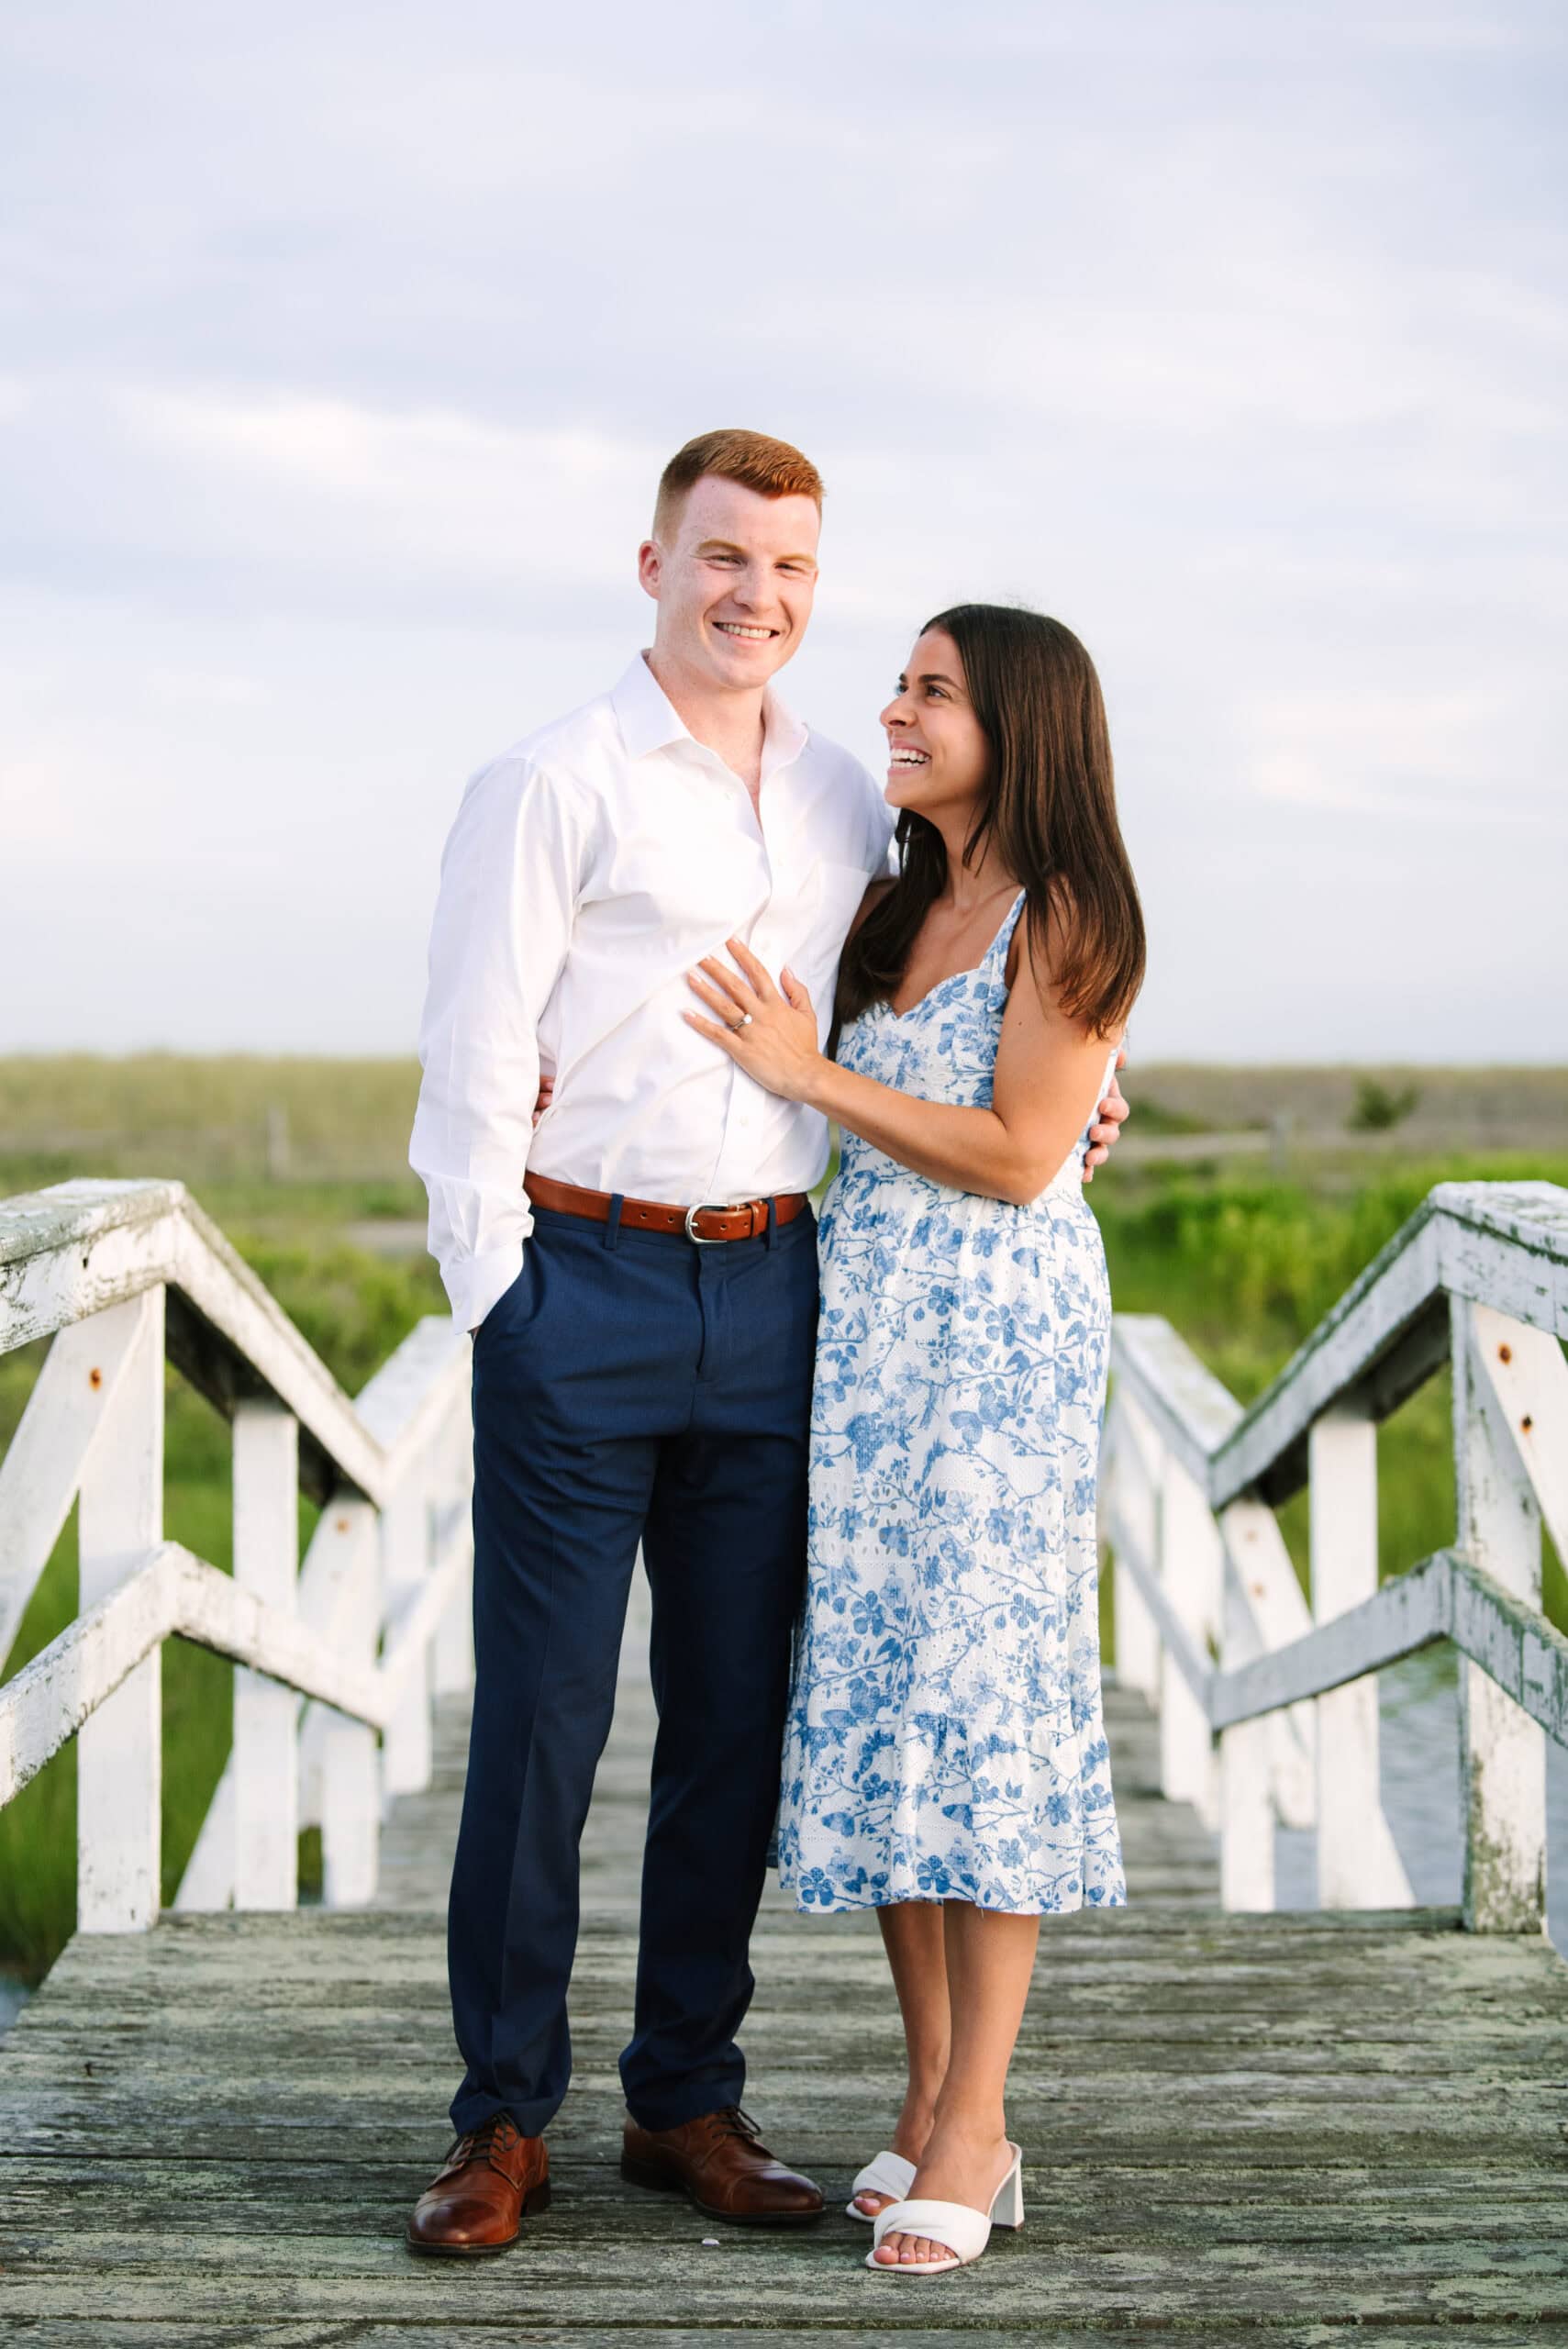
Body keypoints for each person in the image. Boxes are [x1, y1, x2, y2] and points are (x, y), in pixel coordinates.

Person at [406, 431, 1130, 2255]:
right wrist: (502, 1293)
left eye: (793, 571)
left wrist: (1091, 1115)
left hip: (784, 1302)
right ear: (651, 561)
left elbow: (991, 996)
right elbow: (472, 1065)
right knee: (549, 1723)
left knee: (733, 1717)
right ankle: (501, 2115)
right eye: (724, 558)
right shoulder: (548, 780)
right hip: (584, 1288)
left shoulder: (840, 804)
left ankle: (684, 2097)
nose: (760, 597)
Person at [682, 603, 1142, 2277]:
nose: (892, 707)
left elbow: (1024, 1155)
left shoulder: (1068, 907)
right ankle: (934, 2090)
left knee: (979, 1698)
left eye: (931, 690)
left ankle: (979, 2123)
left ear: (1019, 723)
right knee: (881, 1692)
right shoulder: (895, 904)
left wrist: (814, 1076)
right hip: (867, 1344)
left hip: (996, 1348)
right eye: (901, 683)